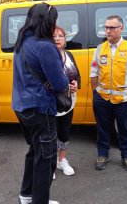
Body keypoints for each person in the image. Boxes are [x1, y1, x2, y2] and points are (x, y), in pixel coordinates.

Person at [12, 3, 70, 204]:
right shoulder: (45, 47)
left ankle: (26, 195)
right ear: (47, 22)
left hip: (22, 106)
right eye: (54, 19)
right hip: (40, 108)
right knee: (46, 158)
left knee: (35, 152)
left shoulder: (23, 42)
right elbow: (60, 83)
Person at [90, 15, 127, 172]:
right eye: (106, 27)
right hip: (102, 98)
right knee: (103, 128)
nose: (108, 31)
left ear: (121, 28)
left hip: (124, 100)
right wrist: (95, 94)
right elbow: (94, 72)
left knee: (125, 129)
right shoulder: (100, 49)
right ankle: (102, 155)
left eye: (112, 27)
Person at [53, 26, 81, 177]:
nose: (57, 38)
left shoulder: (69, 54)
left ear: (64, 40)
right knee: (50, 134)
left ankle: (61, 160)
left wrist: (76, 84)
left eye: (60, 36)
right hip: (52, 102)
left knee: (64, 132)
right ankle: (50, 164)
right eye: (54, 36)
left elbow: (78, 76)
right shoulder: (47, 56)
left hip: (68, 102)